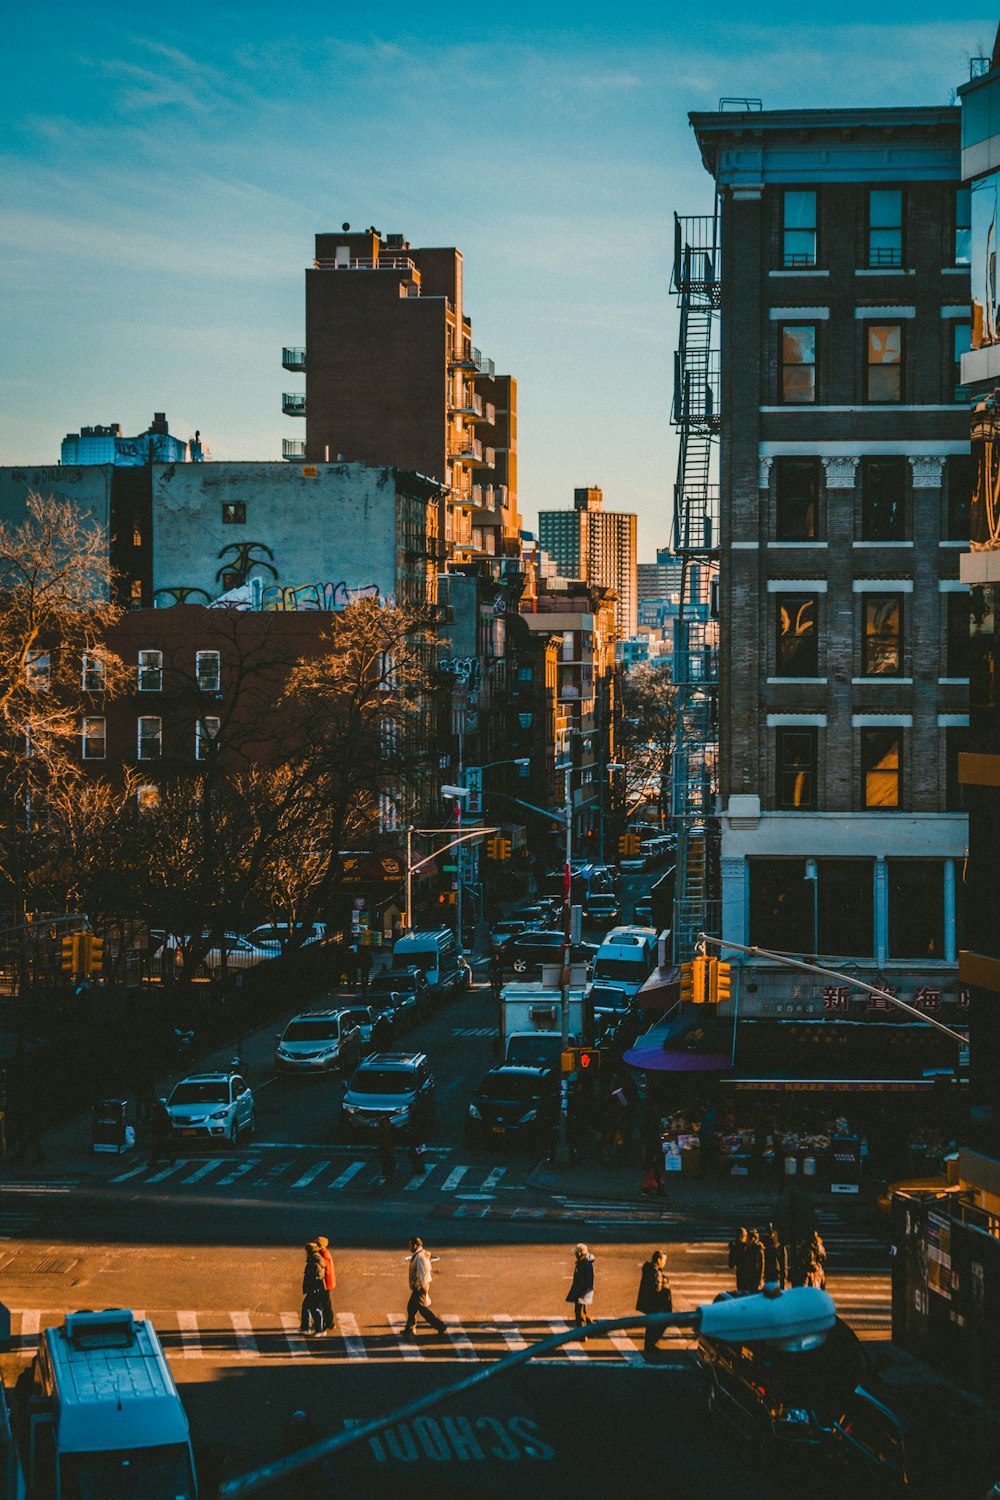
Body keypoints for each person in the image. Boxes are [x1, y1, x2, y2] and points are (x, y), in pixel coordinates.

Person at [404, 1236, 446, 1337]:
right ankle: (410, 1329)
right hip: (420, 1285)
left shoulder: (419, 1257)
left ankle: (440, 1326)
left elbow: (423, 1272)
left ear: (415, 1245)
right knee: (411, 1307)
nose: (409, 1247)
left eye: (410, 1245)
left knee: (423, 1310)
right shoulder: (419, 1254)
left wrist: (418, 1285)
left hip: (420, 1286)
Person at [635, 1249, 673, 1358]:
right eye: (664, 1260)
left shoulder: (650, 1269)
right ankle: (651, 1345)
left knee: (651, 1326)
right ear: (659, 1259)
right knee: (658, 1325)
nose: (665, 1263)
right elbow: (657, 1290)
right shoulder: (656, 1273)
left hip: (649, 1304)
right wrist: (662, 1305)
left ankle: (649, 1345)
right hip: (655, 1305)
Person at [566, 1243, 596, 1337]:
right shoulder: (584, 1262)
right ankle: (592, 1327)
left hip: (582, 1293)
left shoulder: (584, 1265)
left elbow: (586, 1281)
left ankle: (582, 1333)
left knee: (580, 1313)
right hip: (582, 1292)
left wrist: (581, 1293)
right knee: (582, 1311)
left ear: (579, 1254)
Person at [300, 1243, 327, 1335]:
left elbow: (316, 1277)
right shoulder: (315, 1260)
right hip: (314, 1289)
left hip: (315, 1289)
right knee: (307, 1307)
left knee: (314, 1308)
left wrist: (310, 1288)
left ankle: (319, 1330)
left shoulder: (314, 1263)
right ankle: (305, 1327)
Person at [147, 1098, 175, 1171]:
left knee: (159, 1147)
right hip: (160, 1132)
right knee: (162, 1147)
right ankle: (171, 1158)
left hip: (161, 1132)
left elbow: (165, 1122)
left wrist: (168, 1132)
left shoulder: (159, 1111)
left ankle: (153, 1162)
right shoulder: (158, 1111)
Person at [316, 1236, 336, 1333]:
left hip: (325, 1283)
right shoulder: (324, 1253)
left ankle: (328, 1323)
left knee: (325, 1303)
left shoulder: (324, 1255)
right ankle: (329, 1322)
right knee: (326, 1303)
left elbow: (326, 1271)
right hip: (327, 1282)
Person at [740, 1229, 765, 1293]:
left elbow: (760, 1266)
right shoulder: (749, 1249)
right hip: (749, 1277)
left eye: (748, 1239)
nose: (746, 1241)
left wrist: (759, 1280)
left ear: (753, 1239)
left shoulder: (757, 1250)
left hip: (754, 1278)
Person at [377, 1116, 396, 1183]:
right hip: (385, 1146)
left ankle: (388, 1172)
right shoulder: (384, 1129)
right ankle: (388, 1172)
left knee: (388, 1159)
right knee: (386, 1159)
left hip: (388, 1146)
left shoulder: (390, 1129)